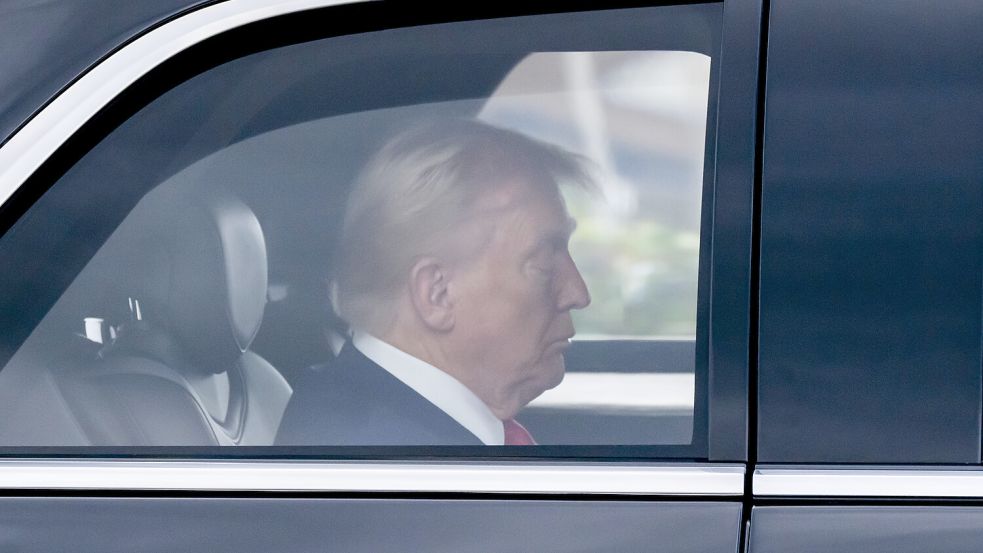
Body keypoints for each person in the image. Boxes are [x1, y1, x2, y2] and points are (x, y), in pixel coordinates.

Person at [276, 119, 592, 446]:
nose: (578, 293)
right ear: (437, 294)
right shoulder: (388, 468)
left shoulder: (374, 424)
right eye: (542, 262)